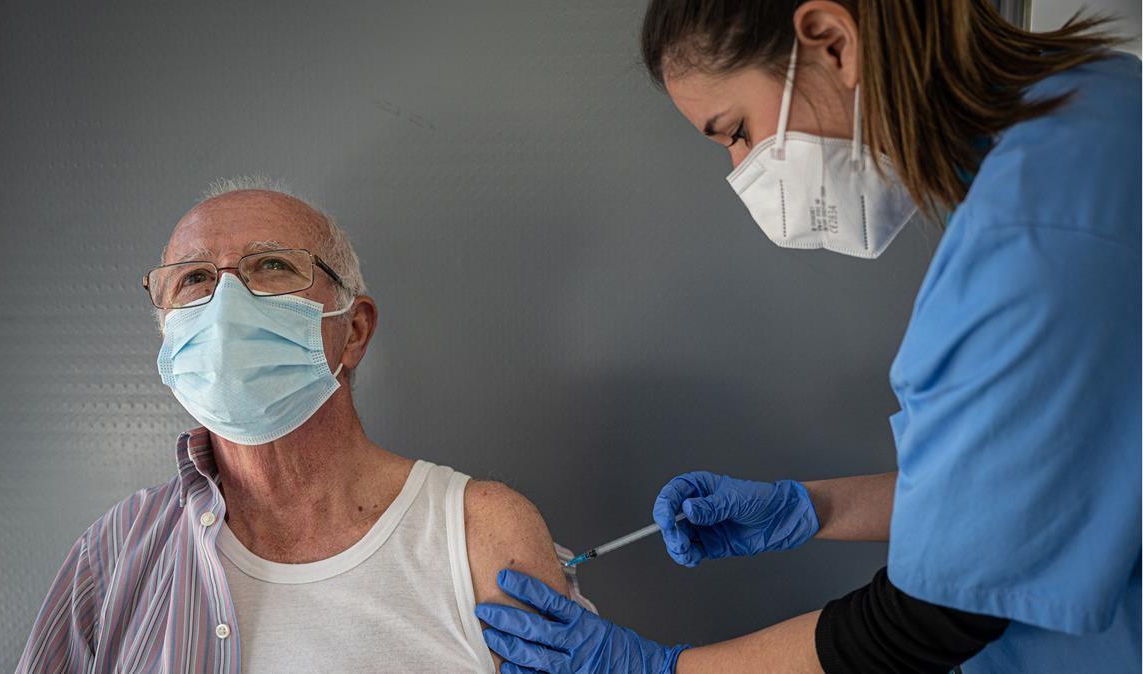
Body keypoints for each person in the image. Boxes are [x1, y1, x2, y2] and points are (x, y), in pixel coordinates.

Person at [475, 1, 1140, 672]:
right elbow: (1027, 487)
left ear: (832, 41)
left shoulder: (1030, 241)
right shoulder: (1103, 105)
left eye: (736, 131)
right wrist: (809, 507)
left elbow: (933, 618)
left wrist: (660, 667)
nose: (740, 168)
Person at [17, 178, 592, 673]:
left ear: (355, 329)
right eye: (193, 278)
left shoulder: (478, 533)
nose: (225, 306)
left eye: (271, 266)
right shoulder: (115, 554)